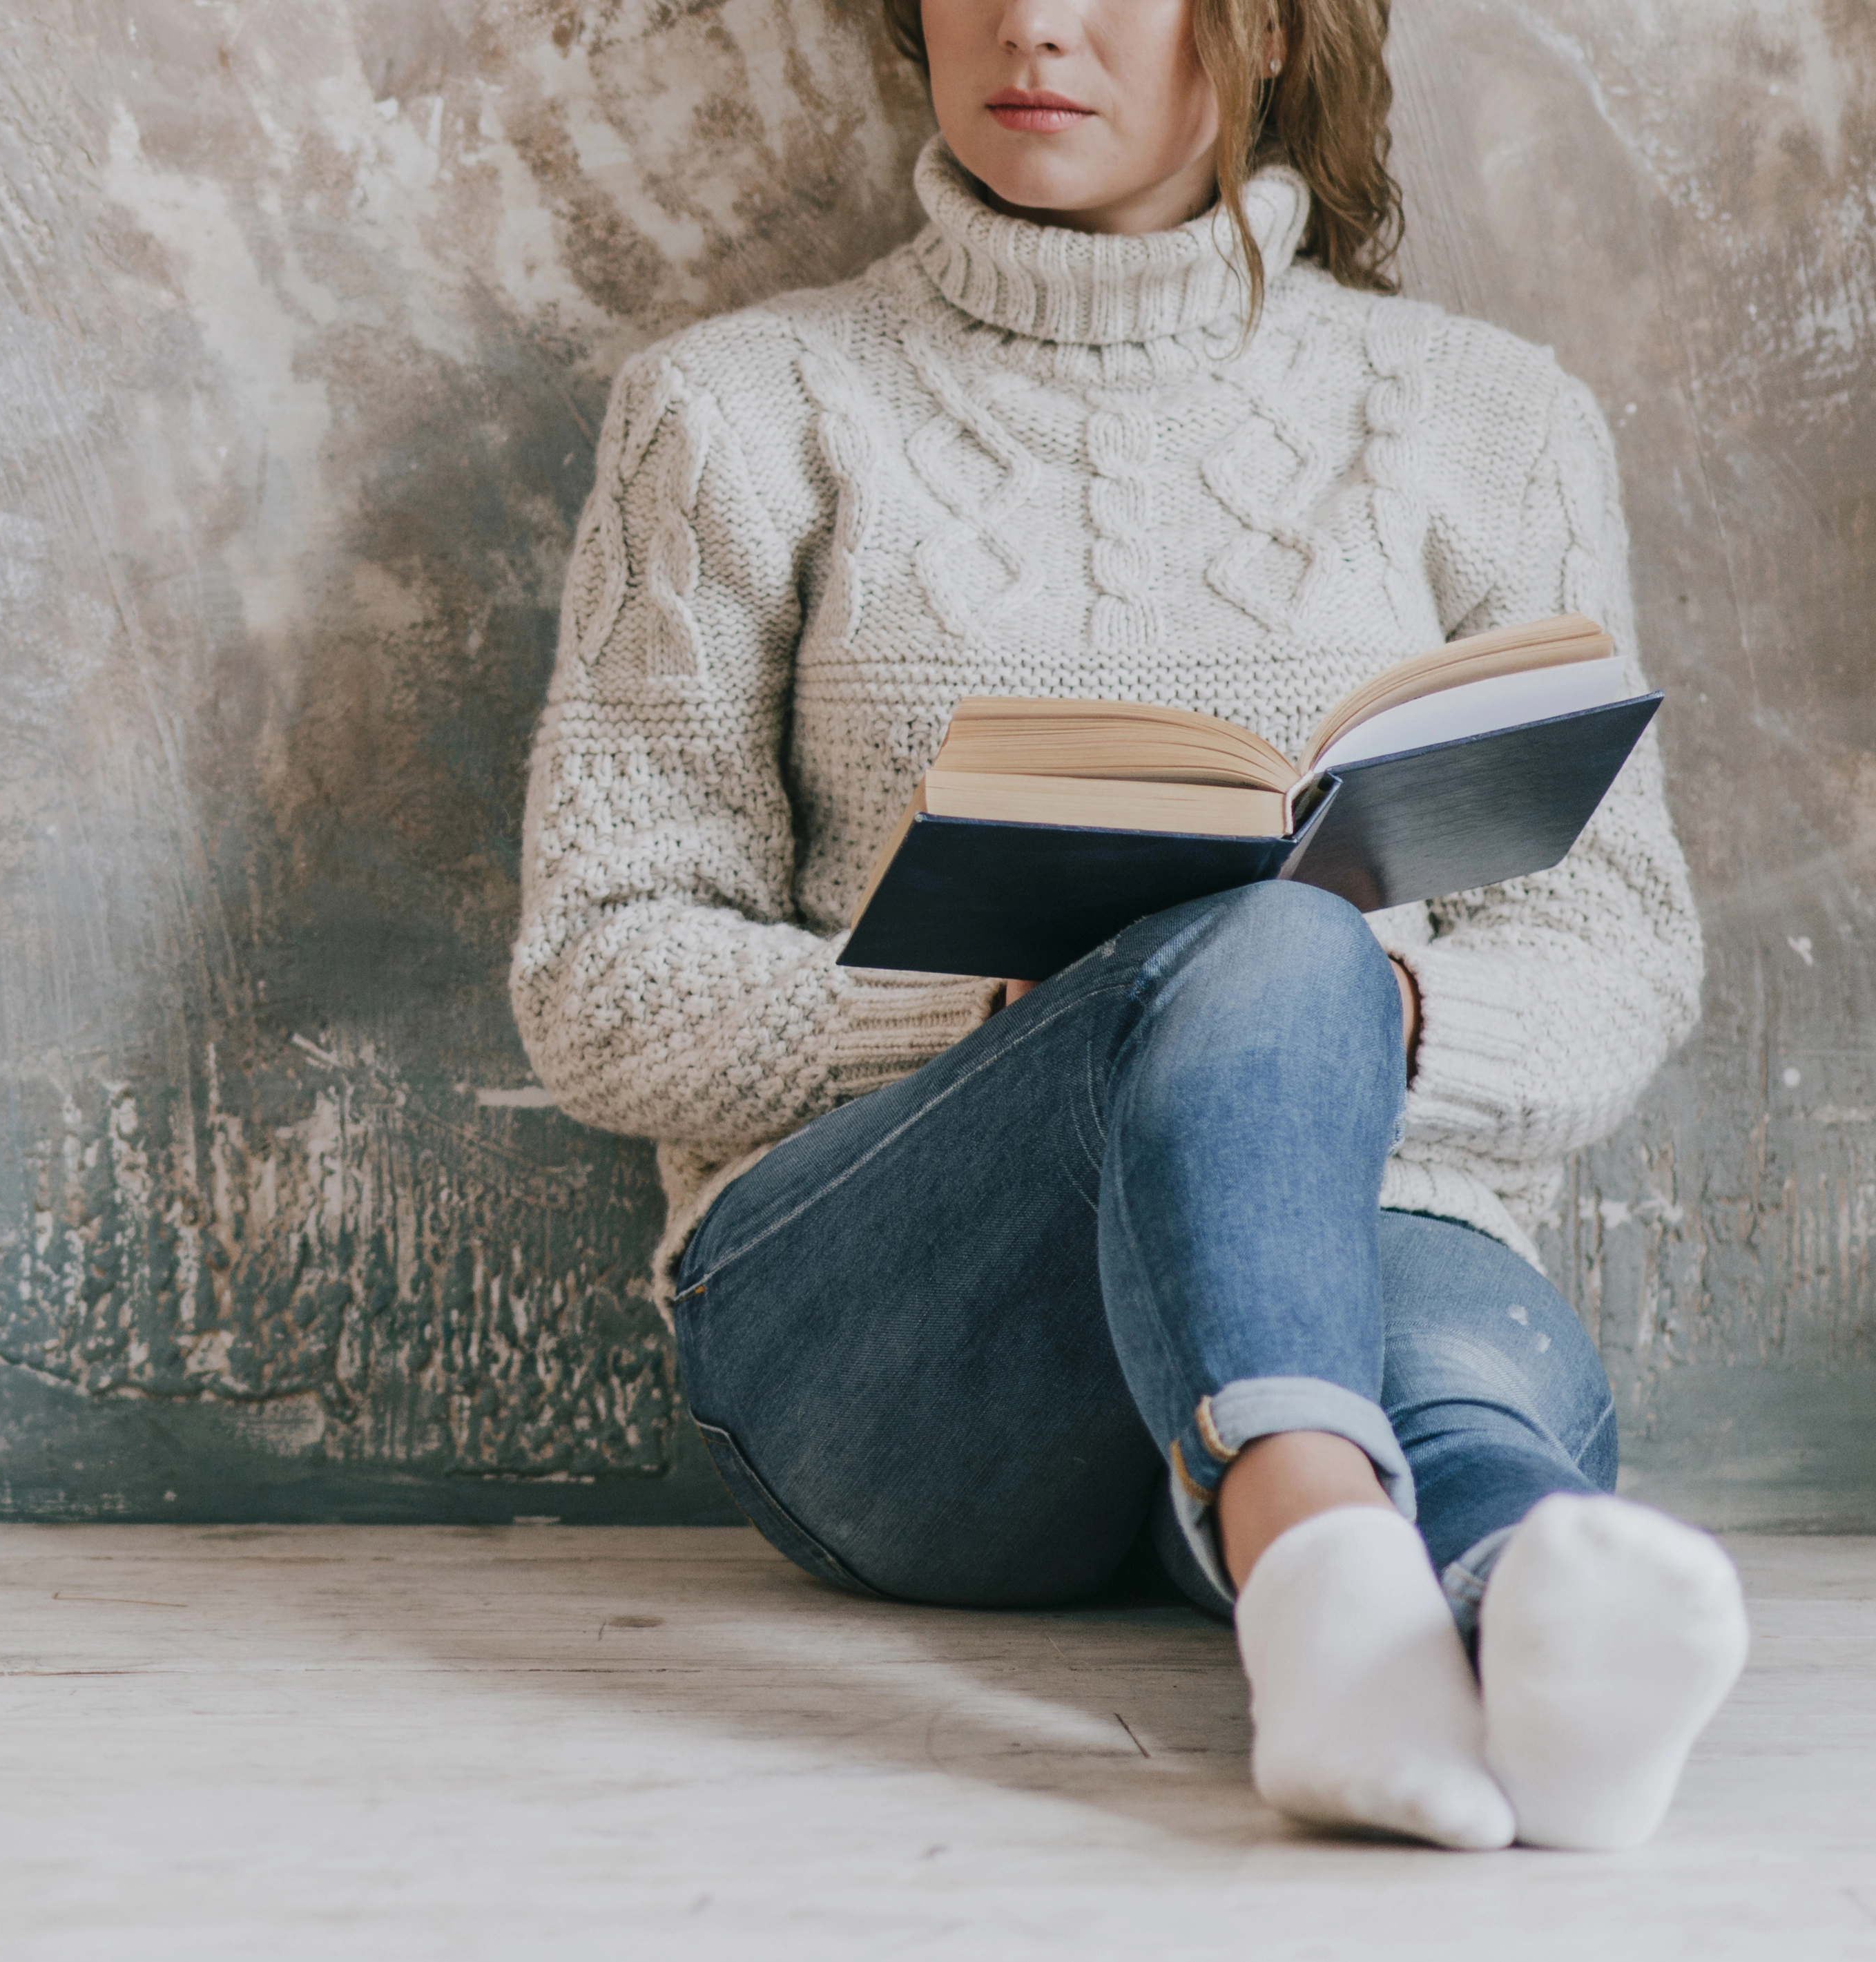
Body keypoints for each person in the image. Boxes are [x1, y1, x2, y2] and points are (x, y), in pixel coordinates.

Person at [509, 0, 1745, 1849]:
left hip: (1365, 1246)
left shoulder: (1493, 422)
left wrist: (1388, 1030)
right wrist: (1018, 1016)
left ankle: (1505, 1623)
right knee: (1269, 945)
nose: (1033, 23)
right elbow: (599, 973)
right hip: (896, 1351)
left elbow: (1621, 947)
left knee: (1449, 1348)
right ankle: (1346, 1567)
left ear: (1262, 23)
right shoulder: (736, 409)